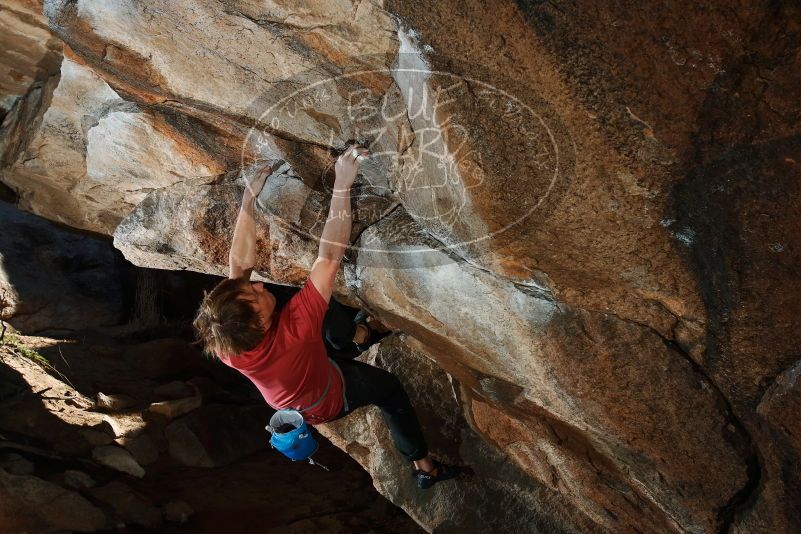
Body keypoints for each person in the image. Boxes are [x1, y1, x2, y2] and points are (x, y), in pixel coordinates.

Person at [193, 145, 460, 489]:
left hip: (298, 378)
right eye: (255, 296)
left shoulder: (226, 339)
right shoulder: (296, 328)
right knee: (390, 391)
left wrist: (248, 201)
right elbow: (330, 255)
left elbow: (239, 267)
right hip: (327, 398)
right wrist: (341, 185)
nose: (258, 285)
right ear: (260, 324)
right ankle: (425, 467)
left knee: (309, 304)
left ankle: (355, 337)